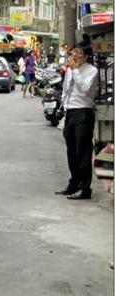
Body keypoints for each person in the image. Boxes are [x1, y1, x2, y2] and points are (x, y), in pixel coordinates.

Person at [55, 46, 99, 200]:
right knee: (71, 151)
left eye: (78, 53)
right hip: (71, 112)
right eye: (73, 53)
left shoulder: (92, 71)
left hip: (83, 111)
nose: (74, 56)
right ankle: (73, 183)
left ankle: (84, 188)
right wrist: (63, 108)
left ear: (86, 56)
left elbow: (86, 89)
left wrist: (75, 71)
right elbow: (67, 90)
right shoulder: (69, 70)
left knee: (83, 151)